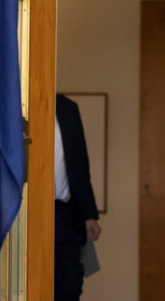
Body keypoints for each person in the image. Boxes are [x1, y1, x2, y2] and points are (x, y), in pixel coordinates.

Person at [54, 93, 102, 301]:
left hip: (65, 213)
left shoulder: (67, 108)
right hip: (29, 212)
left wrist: (89, 214)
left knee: (71, 283)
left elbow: (79, 163)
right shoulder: (19, 106)